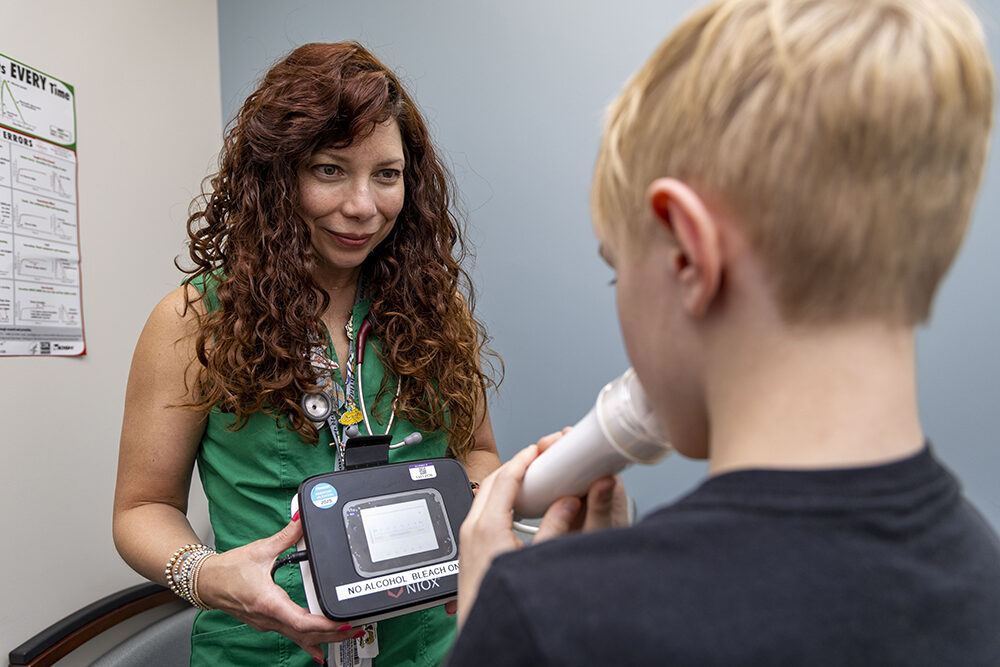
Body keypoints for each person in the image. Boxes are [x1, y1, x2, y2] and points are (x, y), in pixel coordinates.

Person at [447, 0, 1000, 664]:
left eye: (615, 269)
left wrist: (506, 623)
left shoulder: (538, 617)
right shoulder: (982, 566)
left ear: (687, 255)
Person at [113, 42, 501, 666]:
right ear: (276, 176)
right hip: (261, 650)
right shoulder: (194, 321)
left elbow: (477, 454)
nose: (363, 207)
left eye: (387, 174)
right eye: (329, 169)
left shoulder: (435, 311)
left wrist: (478, 526)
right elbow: (142, 508)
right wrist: (206, 577)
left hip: (426, 646)